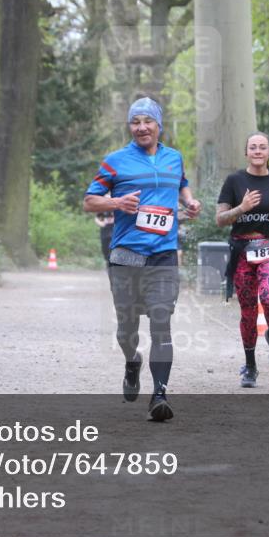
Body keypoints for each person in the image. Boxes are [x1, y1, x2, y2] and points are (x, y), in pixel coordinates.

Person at [84, 97, 201, 421]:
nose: (141, 127)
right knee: (127, 329)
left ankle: (159, 395)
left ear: (158, 125)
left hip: (163, 254)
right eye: (135, 122)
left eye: (147, 121)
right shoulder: (115, 161)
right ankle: (132, 360)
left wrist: (190, 203)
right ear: (130, 127)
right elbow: (89, 202)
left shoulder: (173, 159)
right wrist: (117, 203)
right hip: (126, 255)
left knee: (161, 323)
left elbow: (182, 186)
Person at [216, 132, 269, 388]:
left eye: (263, 147)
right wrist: (242, 208)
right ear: (246, 152)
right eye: (253, 147)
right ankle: (250, 366)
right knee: (248, 311)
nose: (258, 151)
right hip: (242, 252)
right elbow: (220, 219)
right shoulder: (235, 181)